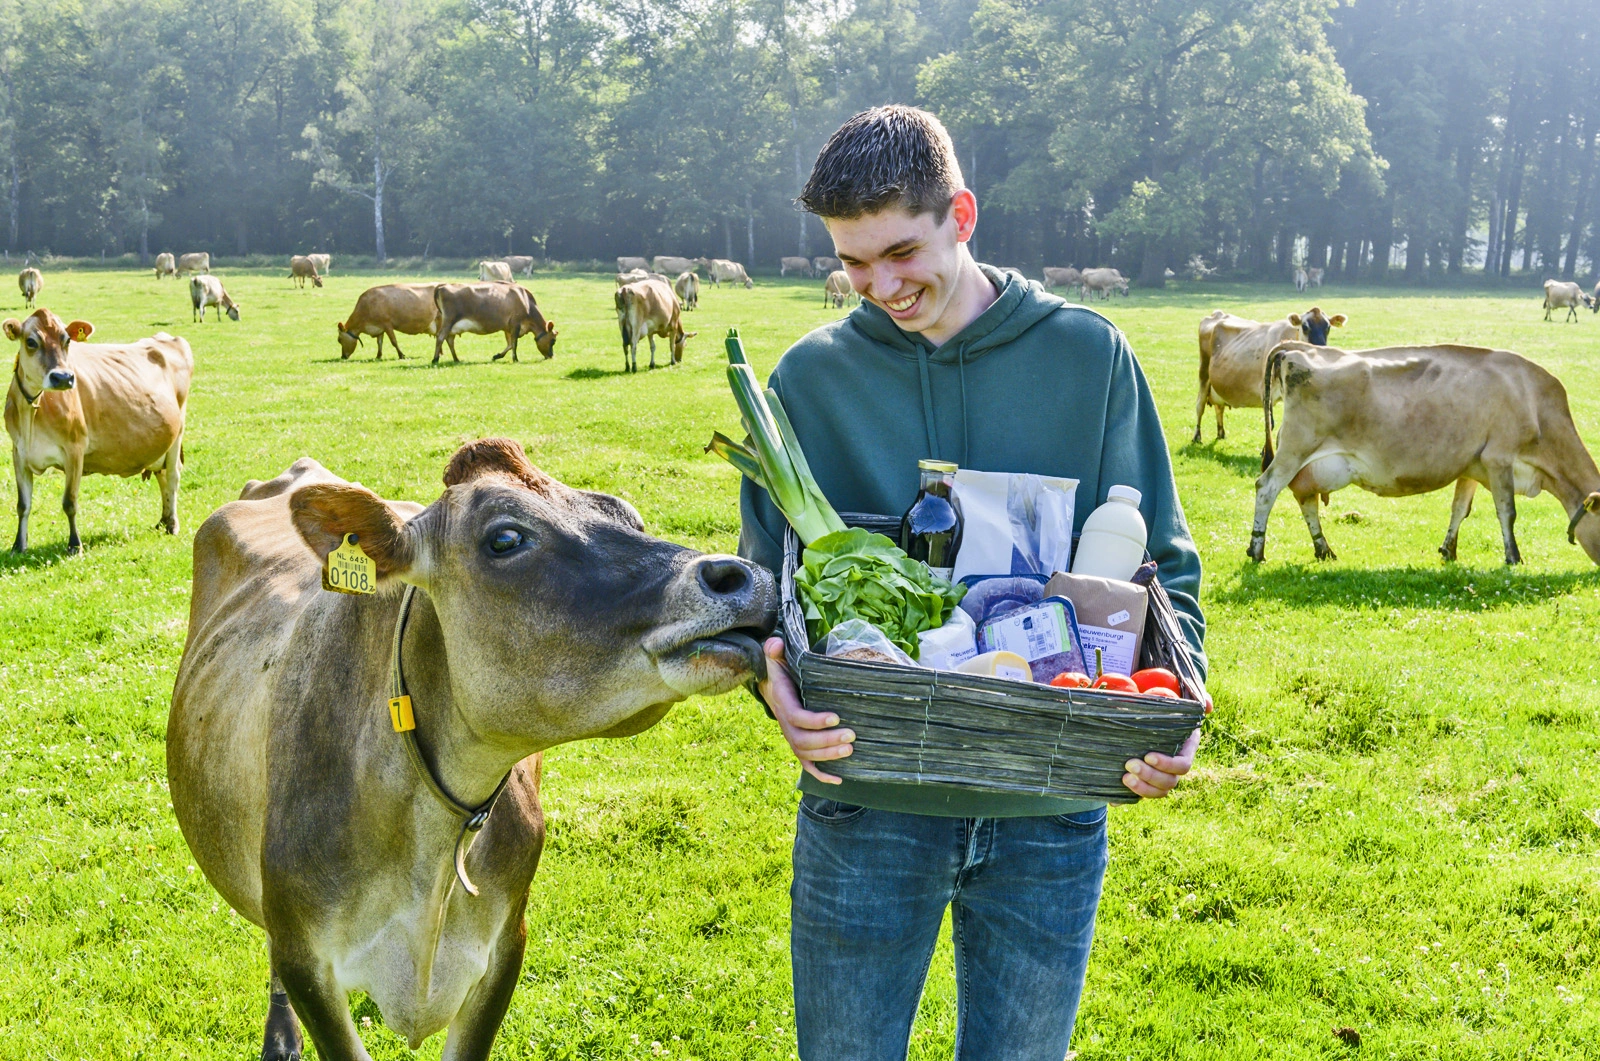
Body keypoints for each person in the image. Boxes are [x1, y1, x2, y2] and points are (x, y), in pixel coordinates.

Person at [737, 105, 1206, 1061]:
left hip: (1050, 807)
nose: (879, 287)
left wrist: (1178, 713)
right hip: (869, 801)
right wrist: (772, 686)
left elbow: (1167, 565)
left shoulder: (1087, 355)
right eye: (854, 263)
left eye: (900, 252)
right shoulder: (810, 380)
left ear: (963, 213)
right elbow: (763, 588)